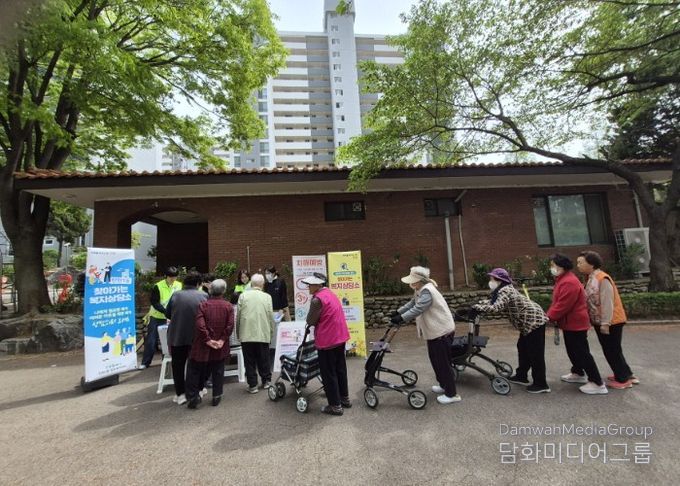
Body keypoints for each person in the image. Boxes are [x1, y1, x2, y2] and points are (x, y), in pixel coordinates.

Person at [472, 268, 550, 393]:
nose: (490, 282)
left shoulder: (505, 290)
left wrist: (477, 307)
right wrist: (478, 303)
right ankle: (521, 376)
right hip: (528, 323)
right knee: (523, 348)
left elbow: (496, 307)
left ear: (499, 280)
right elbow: (493, 302)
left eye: (492, 279)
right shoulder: (502, 290)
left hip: (534, 322)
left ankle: (541, 384)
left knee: (535, 353)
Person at [390, 266, 460, 404]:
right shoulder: (419, 289)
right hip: (435, 332)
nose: (411, 283)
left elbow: (418, 308)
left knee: (443, 363)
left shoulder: (427, 290)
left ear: (419, 280)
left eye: (413, 280)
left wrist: (401, 318)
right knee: (435, 360)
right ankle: (443, 385)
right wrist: (398, 312)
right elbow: (412, 303)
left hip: (441, 331)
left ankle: (452, 394)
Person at [547, 254, 607, 395]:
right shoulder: (563, 279)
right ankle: (578, 372)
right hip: (570, 323)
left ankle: (597, 383)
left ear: (561, 266)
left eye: (553, 265)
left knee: (581, 352)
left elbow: (563, 305)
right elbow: (558, 302)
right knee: (573, 350)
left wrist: (547, 317)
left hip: (575, 323)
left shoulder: (568, 282)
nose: (551, 268)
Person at [577, 251, 638, 389]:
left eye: (581, 262)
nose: (578, 265)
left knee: (611, 350)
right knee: (613, 349)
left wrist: (605, 323)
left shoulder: (602, 278)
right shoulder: (591, 278)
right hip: (603, 321)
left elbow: (607, 302)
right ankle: (626, 374)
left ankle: (623, 380)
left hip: (611, 321)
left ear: (591, 264)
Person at [303, 273, 351, 416]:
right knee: (340, 368)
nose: (308, 287)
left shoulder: (317, 300)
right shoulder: (330, 293)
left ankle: (335, 405)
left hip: (328, 339)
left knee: (329, 372)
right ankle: (344, 398)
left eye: (310, 285)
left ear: (318, 285)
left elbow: (310, 320)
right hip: (340, 336)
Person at [185, 279, 235, 409]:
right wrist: (222, 340)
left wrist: (207, 339)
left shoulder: (203, 305)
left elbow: (200, 325)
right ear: (224, 291)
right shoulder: (228, 306)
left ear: (210, 290)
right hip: (220, 345)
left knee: (195, 369)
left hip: (203, 344)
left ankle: (194, 396)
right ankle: (216, 396)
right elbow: (230, 325)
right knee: (218, 369)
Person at [165, 272, 207, 405]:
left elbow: (167, 314)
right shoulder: (204, 296)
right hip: (197, 337)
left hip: (177, 336)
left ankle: (180, 394)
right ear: (198, 284)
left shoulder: (176, 295)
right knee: (199, 363)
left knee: (178, 365)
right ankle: (199, 389)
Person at [236, 273, 275, 394]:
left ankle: (253, 385)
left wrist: (238, 333)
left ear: (251, 284)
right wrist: (271, 332)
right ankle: (266, 381)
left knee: (249, 360)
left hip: (246, 333)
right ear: (262, 284)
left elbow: (238, 316)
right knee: (264, 358)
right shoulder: (267, 297)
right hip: (262, 332)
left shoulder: (243, 296)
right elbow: (270, 317)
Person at [140, 266, 182, 369]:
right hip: (156, 316)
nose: (173, 279)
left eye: (175, 277)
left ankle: (165, 362)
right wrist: (166, 312)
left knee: (167, 341)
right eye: (171, 277)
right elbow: (154, 302)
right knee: (151, 340)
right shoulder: (158, 286)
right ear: (166, 276)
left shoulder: (179, 285)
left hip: (171, 317)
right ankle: (145, 362)